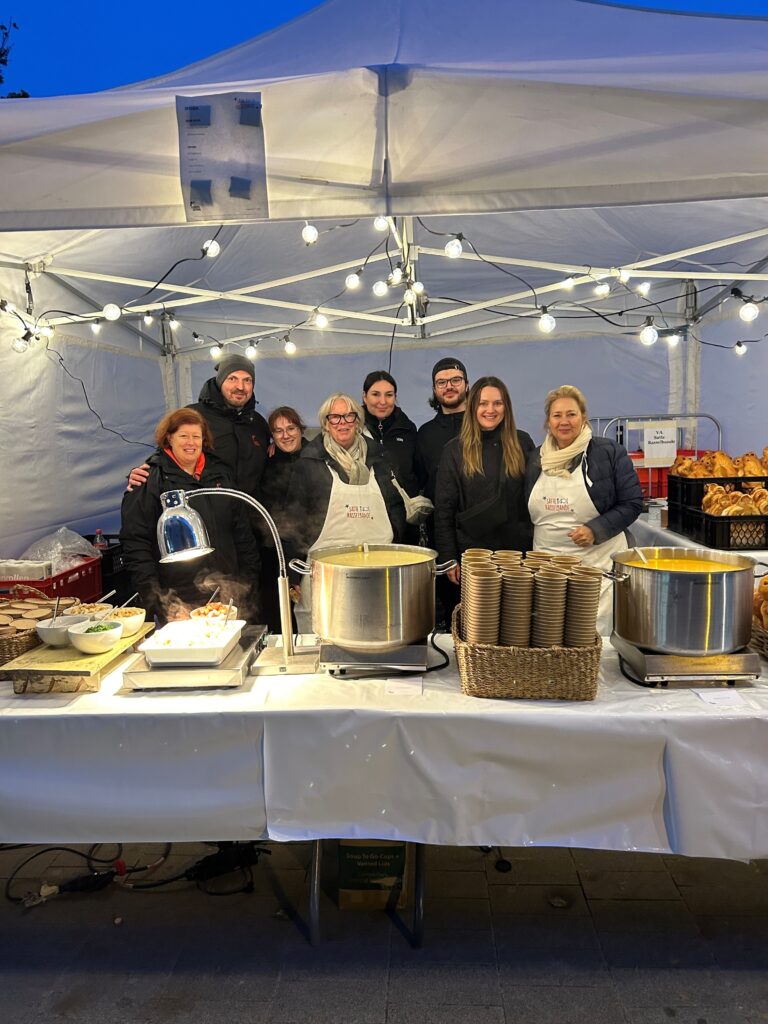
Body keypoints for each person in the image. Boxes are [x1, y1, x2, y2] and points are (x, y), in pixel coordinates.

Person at [120, 408, 261, 624]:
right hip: (180, 597)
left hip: (227, 589)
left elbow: (241, 530)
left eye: (196, 436)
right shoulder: (149, 480)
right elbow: (136, 542)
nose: (191, 443)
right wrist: (157, 600)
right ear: (169, 438)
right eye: (183, 436)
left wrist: (247, 580)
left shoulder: (220, 474)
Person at [525, 384, 643, 633]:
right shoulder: (535, 459)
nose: (564, 421)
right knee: (551, 635)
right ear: (548, 422)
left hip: (595, 567)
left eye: (571, 414)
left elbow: (632, 503)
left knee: (591, 636)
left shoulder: (608, 452)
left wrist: (595, 529)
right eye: (557, 416)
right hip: (548, 568)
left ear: (583, 418)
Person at [289, 393, 407, 633]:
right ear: (326, 423)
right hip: (325, 569)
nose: (342, 422)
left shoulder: (379, 459)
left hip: (377, 567)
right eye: (335, 417)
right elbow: (294, 517)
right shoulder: (309, 463)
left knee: (376, 628)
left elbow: (395, 505)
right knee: (323, 631)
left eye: (348, 416)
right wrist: (292, 573)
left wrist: (395, 531)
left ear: (357, 420)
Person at [435, 377, 535, 596]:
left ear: (506, 407)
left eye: (497, 403)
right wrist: (449, 558)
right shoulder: (454, 451)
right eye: (483, 403)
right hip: (474, 557)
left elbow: (534, 498)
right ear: (473, 407)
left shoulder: (522, 442)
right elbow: (444, 510)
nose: (491, 410)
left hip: (516, 555)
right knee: (479, 624)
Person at [127, 353, 269, 497]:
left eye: (247, 380)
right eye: (232, 379)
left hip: (251, 511)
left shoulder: (258, 423)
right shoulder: (193, 415)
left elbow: (270, 466)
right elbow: (165, 454)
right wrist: (146, 472)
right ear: (220, 382)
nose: (240, 386)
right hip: (206, 507)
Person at [258, 406, 308, 632]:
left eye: (291, 428)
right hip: (276, 551)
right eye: (278, 431)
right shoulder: (266, 462)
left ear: (300, 429)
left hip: (310, 549)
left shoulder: (316, 456)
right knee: (283, 615)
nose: (285, 435)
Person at [416, 358, 469, 504]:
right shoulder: (425, 433)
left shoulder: (481, 427)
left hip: (478, 522)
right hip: (437, 522)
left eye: (456, 380)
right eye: (441, 382)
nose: (449, 386)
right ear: (434, 389)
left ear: (467, 385)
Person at [361, 370, 419, 497]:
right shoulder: (353, 429)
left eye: (389, 395)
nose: (382, 401)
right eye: (375, 394)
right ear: (365, 397)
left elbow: (419, 472)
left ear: (395, 397)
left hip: (403, 510)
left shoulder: (407, 429)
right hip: (366, 509)